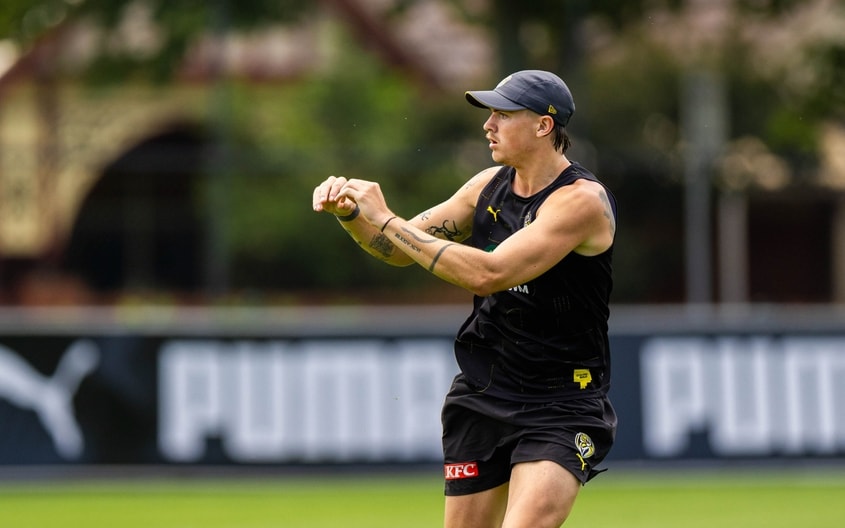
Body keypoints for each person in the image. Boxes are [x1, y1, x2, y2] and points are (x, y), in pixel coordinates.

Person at [312, 70, 617, 528]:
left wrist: (387, 216)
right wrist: (354, 216)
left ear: (543, 126)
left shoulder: (581, 202)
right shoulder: (487, 187)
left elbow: (488, 273)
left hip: (560, 404)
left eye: (502, 114)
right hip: (483, 392)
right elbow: (399, 249)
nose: (487, 125)